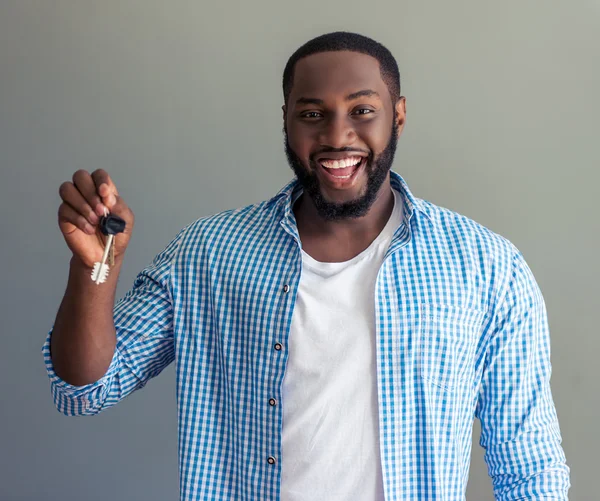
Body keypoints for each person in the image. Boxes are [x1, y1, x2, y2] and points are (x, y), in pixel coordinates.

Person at [43, 32, 570, 501]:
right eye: (313, 113)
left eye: (363, 110)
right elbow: (86, 387)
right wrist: (97, 268)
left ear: (399, 115)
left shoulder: (487, 269)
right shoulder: (209, 253)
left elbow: (530, 471)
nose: (337, 136)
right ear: (287, 120)